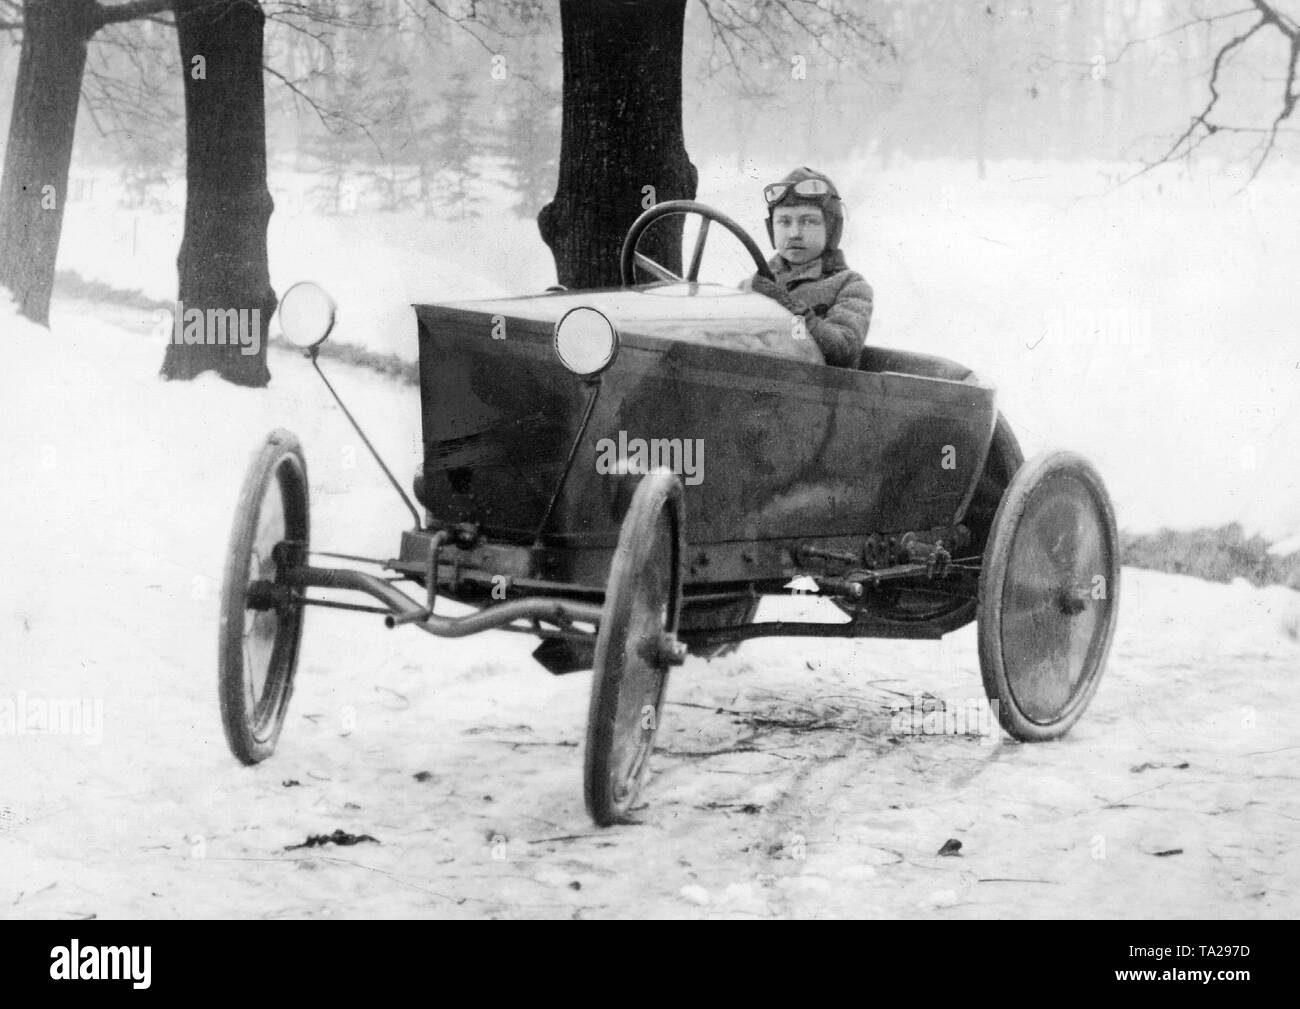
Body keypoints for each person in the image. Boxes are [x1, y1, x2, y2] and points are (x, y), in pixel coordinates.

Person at [746, 167, 874, 368]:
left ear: (831, 228)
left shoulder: (850, 285)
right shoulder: (755, 284)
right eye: (784, 221)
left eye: (808, 221)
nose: (794, 233)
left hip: (816, 393)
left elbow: (841, 350)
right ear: (772, 228)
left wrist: (787, 307)